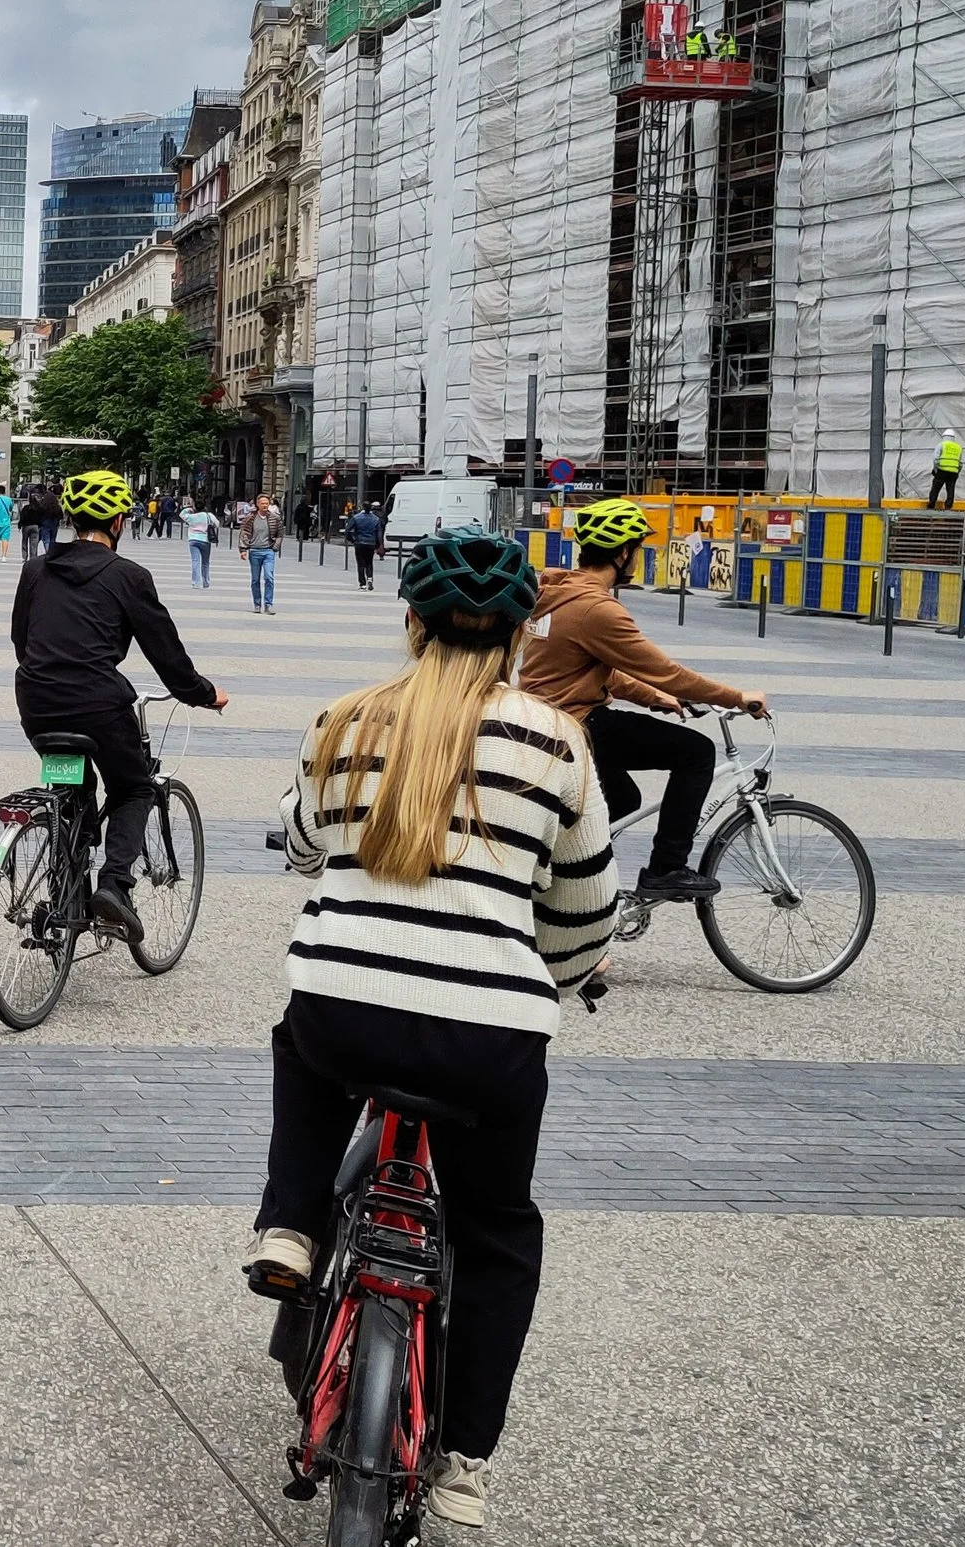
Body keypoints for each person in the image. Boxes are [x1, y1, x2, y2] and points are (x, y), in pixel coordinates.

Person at [250, 526, 616, 1532]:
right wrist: (575, 968)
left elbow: (299, 839)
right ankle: (461, 1460)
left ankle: (289, 1221)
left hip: (344, 1015)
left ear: (408, 620)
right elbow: (583, 911)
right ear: (512, 638)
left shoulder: (344, 719)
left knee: (302, 1040)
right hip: (486, 1042)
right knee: (498, 1231)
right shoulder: (553, 742)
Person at [518, 497, 769, 905]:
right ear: (622, 553)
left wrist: (655, 698)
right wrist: (738, 697)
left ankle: (576, 881)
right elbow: (666, 670)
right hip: (578, 725)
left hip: (550, 721)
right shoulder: (596, 609)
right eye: (638, 548)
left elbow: (598, 669)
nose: (639, 556)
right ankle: (666, 869)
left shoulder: (559, 593)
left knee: (622, 800)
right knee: (697, 752)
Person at [11, 470, 226, 939]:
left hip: (37, 700)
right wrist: (205, 694)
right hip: (99, 705)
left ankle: (71, 860)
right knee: (134, 787)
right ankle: (114, 885)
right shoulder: (129, 576)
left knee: (75, 788)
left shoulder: (35, 570)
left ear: (70, 518)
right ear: (119, 521)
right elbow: (165, 652)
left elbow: (21, 640)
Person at [240, 494, 284, 615]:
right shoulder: (250, 518)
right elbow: (244, 533)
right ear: (257, 504)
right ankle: (257, 604)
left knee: (269, 577)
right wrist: (243, 549)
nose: (264, 505)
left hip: (268, 551)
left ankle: (268, 604)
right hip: (254, 551)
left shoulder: (275, 518)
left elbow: (280, 534)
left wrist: (275, 547)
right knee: (255, 580)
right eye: (262, 503)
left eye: (266, 503)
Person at [345, 499, 385, 589]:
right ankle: (370, 578)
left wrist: (351, 540)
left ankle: (362, 583)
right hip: (371, 543)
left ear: (363, 507)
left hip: (359, 542)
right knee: (369, 562)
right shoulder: (376, 519)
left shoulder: (356, 517)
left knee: (360, 563)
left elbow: (347, 530)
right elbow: (379, 533)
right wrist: (379, 544)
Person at [181, 494, 217, 589]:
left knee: (195, 561)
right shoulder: (208, 515)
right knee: (205, 562)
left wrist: (189, 509)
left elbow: (182, 514)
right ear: (205, 506)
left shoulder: (191, 517)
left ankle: (196, 583)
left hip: (193, 539)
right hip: (205, 540)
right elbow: (217, 524)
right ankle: (206, 582)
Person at [929, 427, 964, 509]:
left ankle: (932, 504)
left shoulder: (941, 445)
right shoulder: (958, 447)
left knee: (935, 488)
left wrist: (935, 469)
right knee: (950, 489)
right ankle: (948, 506)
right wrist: (958, 471)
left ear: (944, 436)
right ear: (953, 438)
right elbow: (960, 463)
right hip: (954, 472)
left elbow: (935, 459)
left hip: (942, 470)